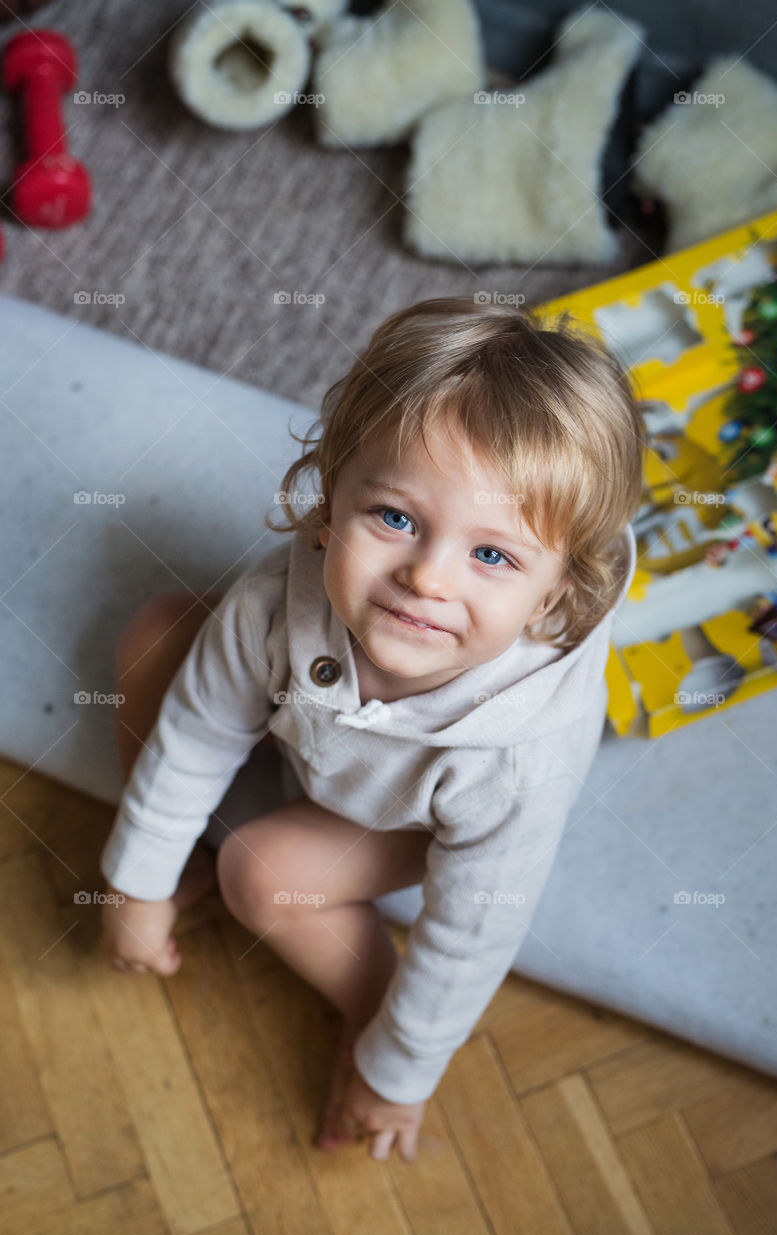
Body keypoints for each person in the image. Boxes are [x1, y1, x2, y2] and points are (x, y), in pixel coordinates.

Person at [98, 294, 645, 1163]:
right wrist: (136, 880)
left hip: (408, 817)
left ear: (551, 595)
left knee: (265, 873)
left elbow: (474, 928)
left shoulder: (516, 759)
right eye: (394, 517)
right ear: (329, 499)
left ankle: (365, 1009)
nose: (426, 577)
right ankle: (183, 864)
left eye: (491, 555)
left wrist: (399, 1068)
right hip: (308, 742)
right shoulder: (270, 606)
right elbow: (197, 731)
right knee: (157, 636)